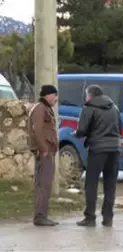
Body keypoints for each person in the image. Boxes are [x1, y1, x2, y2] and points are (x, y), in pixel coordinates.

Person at [75, 85, 122, 227]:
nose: (85, 97)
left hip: (98, 149)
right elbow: (120, 128)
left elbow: (82, 129)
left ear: (90, 95)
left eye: (86, 95)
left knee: (91, 183)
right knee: (110, 184)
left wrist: (76, 134)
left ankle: (90, 217)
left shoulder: (88, 108)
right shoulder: (114, 108)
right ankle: (108, 217)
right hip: (115, 148)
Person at [28, 85, 59, 226]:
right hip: (44, 152)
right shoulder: (40, 108)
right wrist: (43, 148)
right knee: (43, 184)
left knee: (45, 184)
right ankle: (40, 217)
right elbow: (37, 129)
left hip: (48, 151)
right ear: (47, 95)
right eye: (54, 95)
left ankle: (42, 215)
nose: (56, 99)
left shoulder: (45, 108)